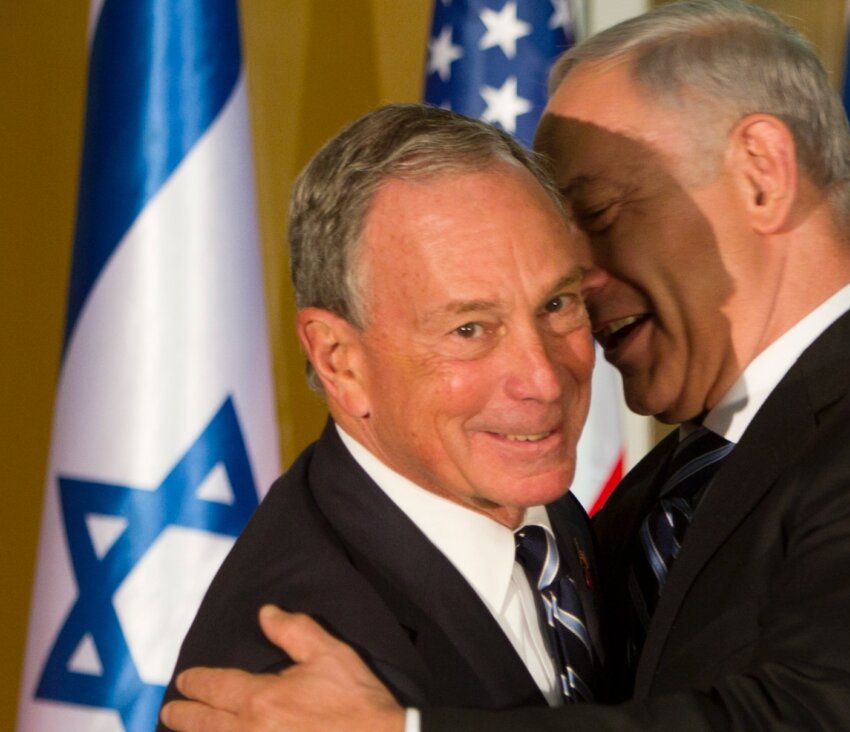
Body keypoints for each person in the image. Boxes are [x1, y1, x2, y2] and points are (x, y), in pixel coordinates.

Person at [163, 1, 850, 729]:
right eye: (471, 324)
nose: (577, 281)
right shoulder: (629, 510)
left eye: (595, 211)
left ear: (761, 173)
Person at [158, 104, 611, 730]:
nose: (544, 378)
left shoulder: (529, 509)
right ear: (341, 362)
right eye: (470, 329)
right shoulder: (285, 680)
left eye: (556, 303)